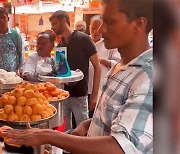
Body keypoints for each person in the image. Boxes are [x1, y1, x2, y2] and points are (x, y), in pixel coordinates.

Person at [3, 0, 153, 153]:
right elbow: (111, 120)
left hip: (80, 93)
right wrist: (88, 125)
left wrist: (46, 135)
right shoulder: (120, 67)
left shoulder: (149, 78)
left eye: (109, 22)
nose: (101, 29)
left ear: (139, 24)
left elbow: (121, 148)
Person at [49, 11, 101, 131]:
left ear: (63, 20)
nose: (52, 27)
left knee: (83, 131)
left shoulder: (83, 39)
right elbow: (60, 71)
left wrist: (94, 95)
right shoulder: (60, 45)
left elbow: (97, 66)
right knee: (66, 131)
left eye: (54, 23)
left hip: (80, 95)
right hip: (63, 95)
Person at [88, 15, 121, 114]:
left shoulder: (110, 44)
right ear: (89, 27)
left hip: (101, 88)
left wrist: (100, 60)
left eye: (98, 29)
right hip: (86, 87)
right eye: (93, 29)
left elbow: (118, 65)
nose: (95, 32)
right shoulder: (86, 41)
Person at [0, 7, 23, 72]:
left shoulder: (15, 34)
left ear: (8, 18)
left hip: (12, 75)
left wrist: (21, 71)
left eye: (3, 17)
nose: (1, 20)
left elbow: (21, 52)